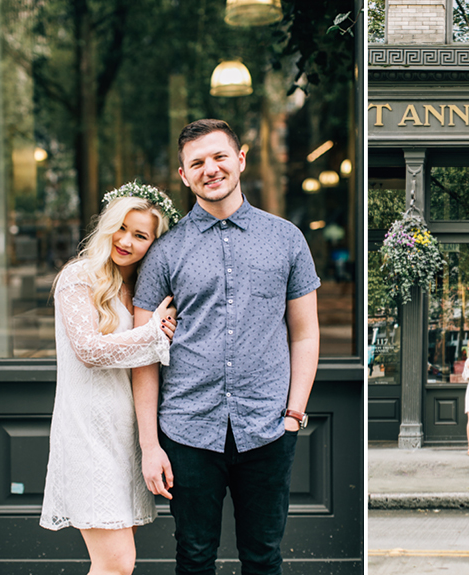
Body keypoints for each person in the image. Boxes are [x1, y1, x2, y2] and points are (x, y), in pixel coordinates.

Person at [131, 119, 320, 575]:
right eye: (196, 163)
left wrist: (294, 413)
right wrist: (150, 445)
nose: (209, 169)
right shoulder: (165, 252)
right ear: (183, 175)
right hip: (188, 429)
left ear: (240, 159)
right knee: (194, 558)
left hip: (268, 427)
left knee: (263, 557)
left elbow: (305, 333)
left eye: (218, 157)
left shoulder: (286, 238)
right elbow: (143, 353)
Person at [40, 182, 181, 574]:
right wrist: (153, 333)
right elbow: (88, 350)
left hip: (125, 438)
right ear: (107, 227)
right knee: (117, 563)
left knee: (115, 564)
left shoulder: (139, 289)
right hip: (87, 434)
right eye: (121, 228)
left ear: (153, 243)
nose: (126, 241)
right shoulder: (79, 277)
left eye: (140, 235)